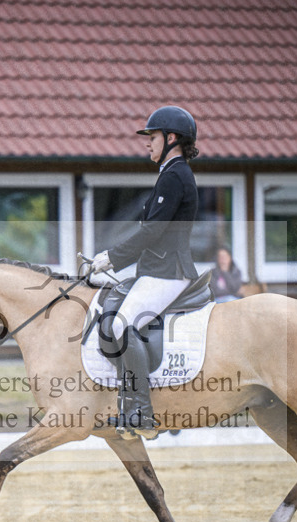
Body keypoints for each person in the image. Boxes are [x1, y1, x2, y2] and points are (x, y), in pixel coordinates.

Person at [90, 105, 199, 438]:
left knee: (122, 326)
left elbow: (152, 231)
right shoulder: (170, 172)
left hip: (168, 270)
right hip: (157, 268)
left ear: (172, 138)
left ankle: (140, 412)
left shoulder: (175, 174)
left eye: (152, 137)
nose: (147, 143)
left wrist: (113, 257)